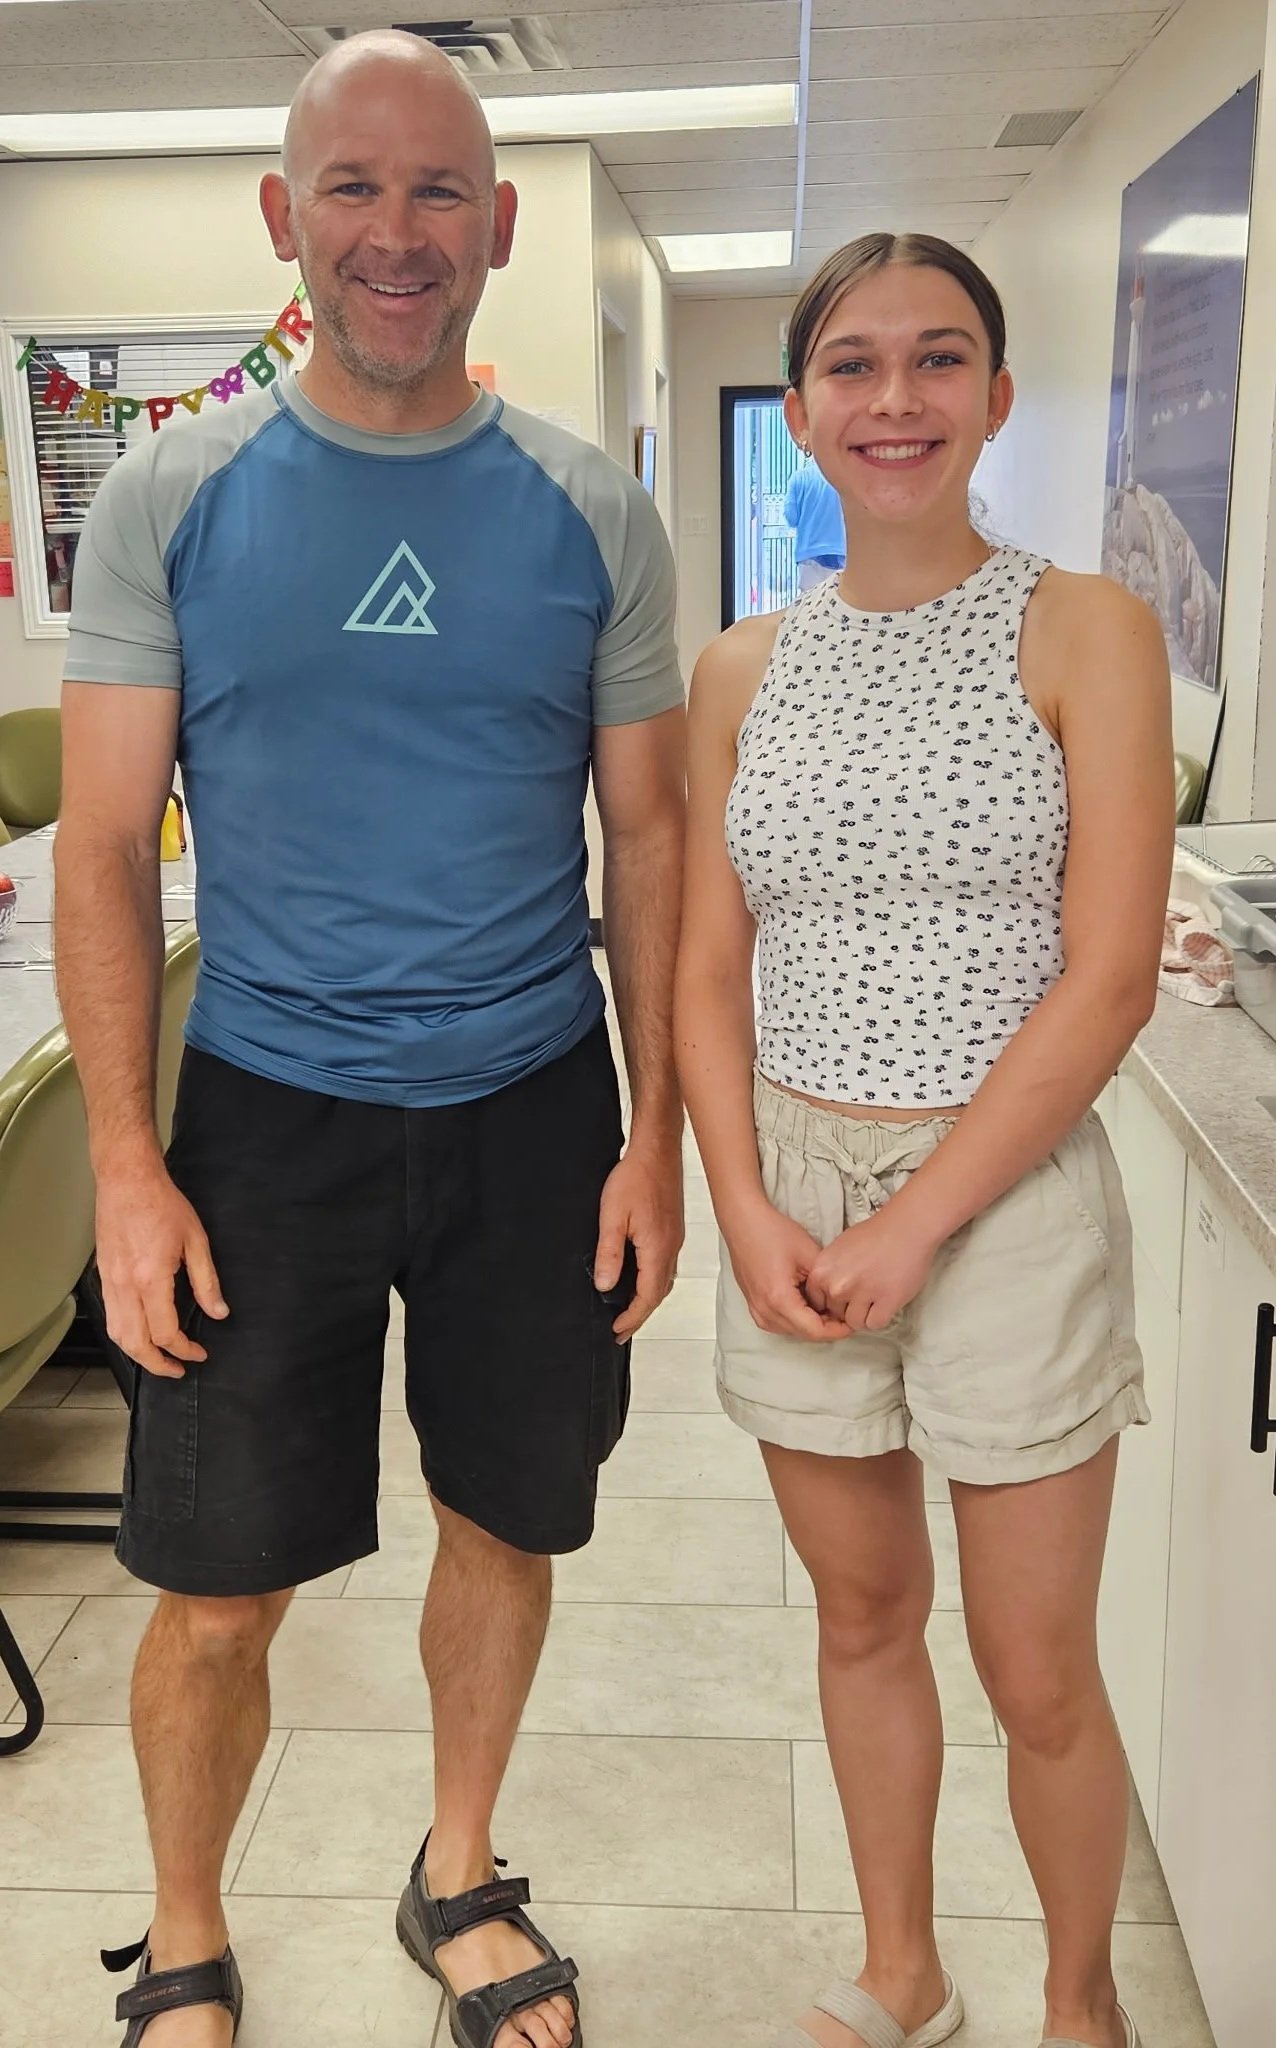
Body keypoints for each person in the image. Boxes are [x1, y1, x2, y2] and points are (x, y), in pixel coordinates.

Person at [55, 31, 686, 2048]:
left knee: (507, 1519)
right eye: (354, 187)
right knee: (218, 1579)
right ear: (284, 220)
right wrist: (126, 1170)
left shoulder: (591, 510)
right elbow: (91, 847)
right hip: (262, 1118)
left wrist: (652, 1130)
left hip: (528, 1108)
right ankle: (177, 1930)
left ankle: (459, 1866)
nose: (395, 234)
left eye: (436, 194)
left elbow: (651, 839)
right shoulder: (169, 494)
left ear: (496, 228)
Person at [675, 232, 1172, 2048]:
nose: (897, 400)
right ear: (803, 408)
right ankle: (905, 1966)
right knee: (864, 1610)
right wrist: (740, 1198)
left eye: (938, 359)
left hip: (1007, 1201)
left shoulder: (1082, 629)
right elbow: (706, 962)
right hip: (797, 1184)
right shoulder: (743, 667)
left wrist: (920, 1223)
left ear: (997, 397)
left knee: (1037, 1665)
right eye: (856, 366)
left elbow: (1109, 976)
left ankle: (1076, 1995)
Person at [783, 453, 846, 591]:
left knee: (811, 607)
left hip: (809, 555)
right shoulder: (844, 478)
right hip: (841, 553)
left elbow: (791, 518)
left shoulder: (799, 478)